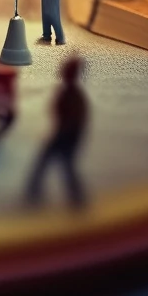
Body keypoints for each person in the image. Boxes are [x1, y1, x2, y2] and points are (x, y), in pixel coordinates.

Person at [26, 56, 88, 209]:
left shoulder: (73, 96)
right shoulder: (70, 93)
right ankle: (74, 196)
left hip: (66, 135)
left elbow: (72, 118)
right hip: (66, 134)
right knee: (62, 165)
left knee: (60, 164)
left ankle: (75, 197)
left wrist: (60, 133)